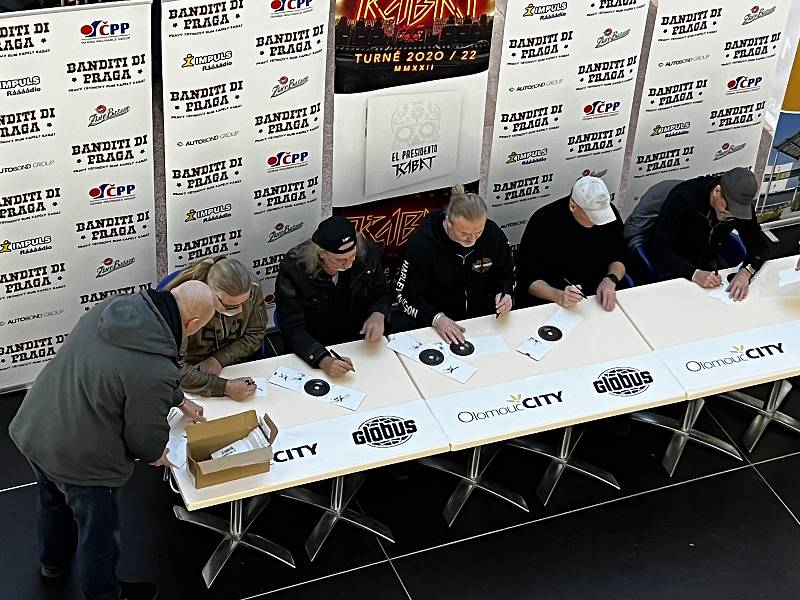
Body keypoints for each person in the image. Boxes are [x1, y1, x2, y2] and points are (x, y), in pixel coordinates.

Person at [8, 281, 216, 600]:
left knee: (52, 504)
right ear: (193, 323)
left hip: (36, 427)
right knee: (99, 535)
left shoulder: (114, 310)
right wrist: (158, 453)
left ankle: (52, 564)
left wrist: (177, 398)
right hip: (81, 461)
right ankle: (104, 594)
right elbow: (144, 439)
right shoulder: (156, 366)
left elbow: (129, 374)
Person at [275, 216, 392, 378]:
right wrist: (322, 359)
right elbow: (291, 327)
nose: (349, 264)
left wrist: (379, 314)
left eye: (352, 256)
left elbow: (382, 293)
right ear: (322, 254)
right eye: (340, 260)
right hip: (314, 343)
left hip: (359, 341)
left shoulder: (367, 254)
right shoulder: (294, 269)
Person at [396, 184, 515, 344]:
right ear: (448, 222)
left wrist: (505, 293)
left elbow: (507, 272)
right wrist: (436, 318)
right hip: (437, 325)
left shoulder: (492, 233)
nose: (472, 239)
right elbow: (406, 296)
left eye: (478, 232)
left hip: (485, 321)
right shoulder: (422, 244)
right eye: (464, 233)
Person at [646, 167, 770, 301]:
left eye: (736, 213)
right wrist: (694, 274)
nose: (730, 215)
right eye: (727, 210)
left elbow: (759, 245)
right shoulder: (683, 198)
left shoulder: (740, 206)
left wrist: (746, 272)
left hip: (708, 265)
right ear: (717, 191)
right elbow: (658, 248)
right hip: (673, 267)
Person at [516, 176, 626, 311]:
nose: (598, 222)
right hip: (550, 302)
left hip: (597, 297)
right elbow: (528, 279)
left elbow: (620, 256)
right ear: (573, 206)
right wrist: (559, 296)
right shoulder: (543, 222)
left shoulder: (610, 215)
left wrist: (611, 279)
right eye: (593, 216)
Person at [166, 256, 268, 401]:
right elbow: (173, 368)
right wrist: (224, 387)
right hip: (195, 374)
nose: (240, 310)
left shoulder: (252, 287)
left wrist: (220, 359)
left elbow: (256, 333)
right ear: (210, 294)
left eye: (245, 302)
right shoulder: (185, 304)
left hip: (235, 366)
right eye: (230, 306)